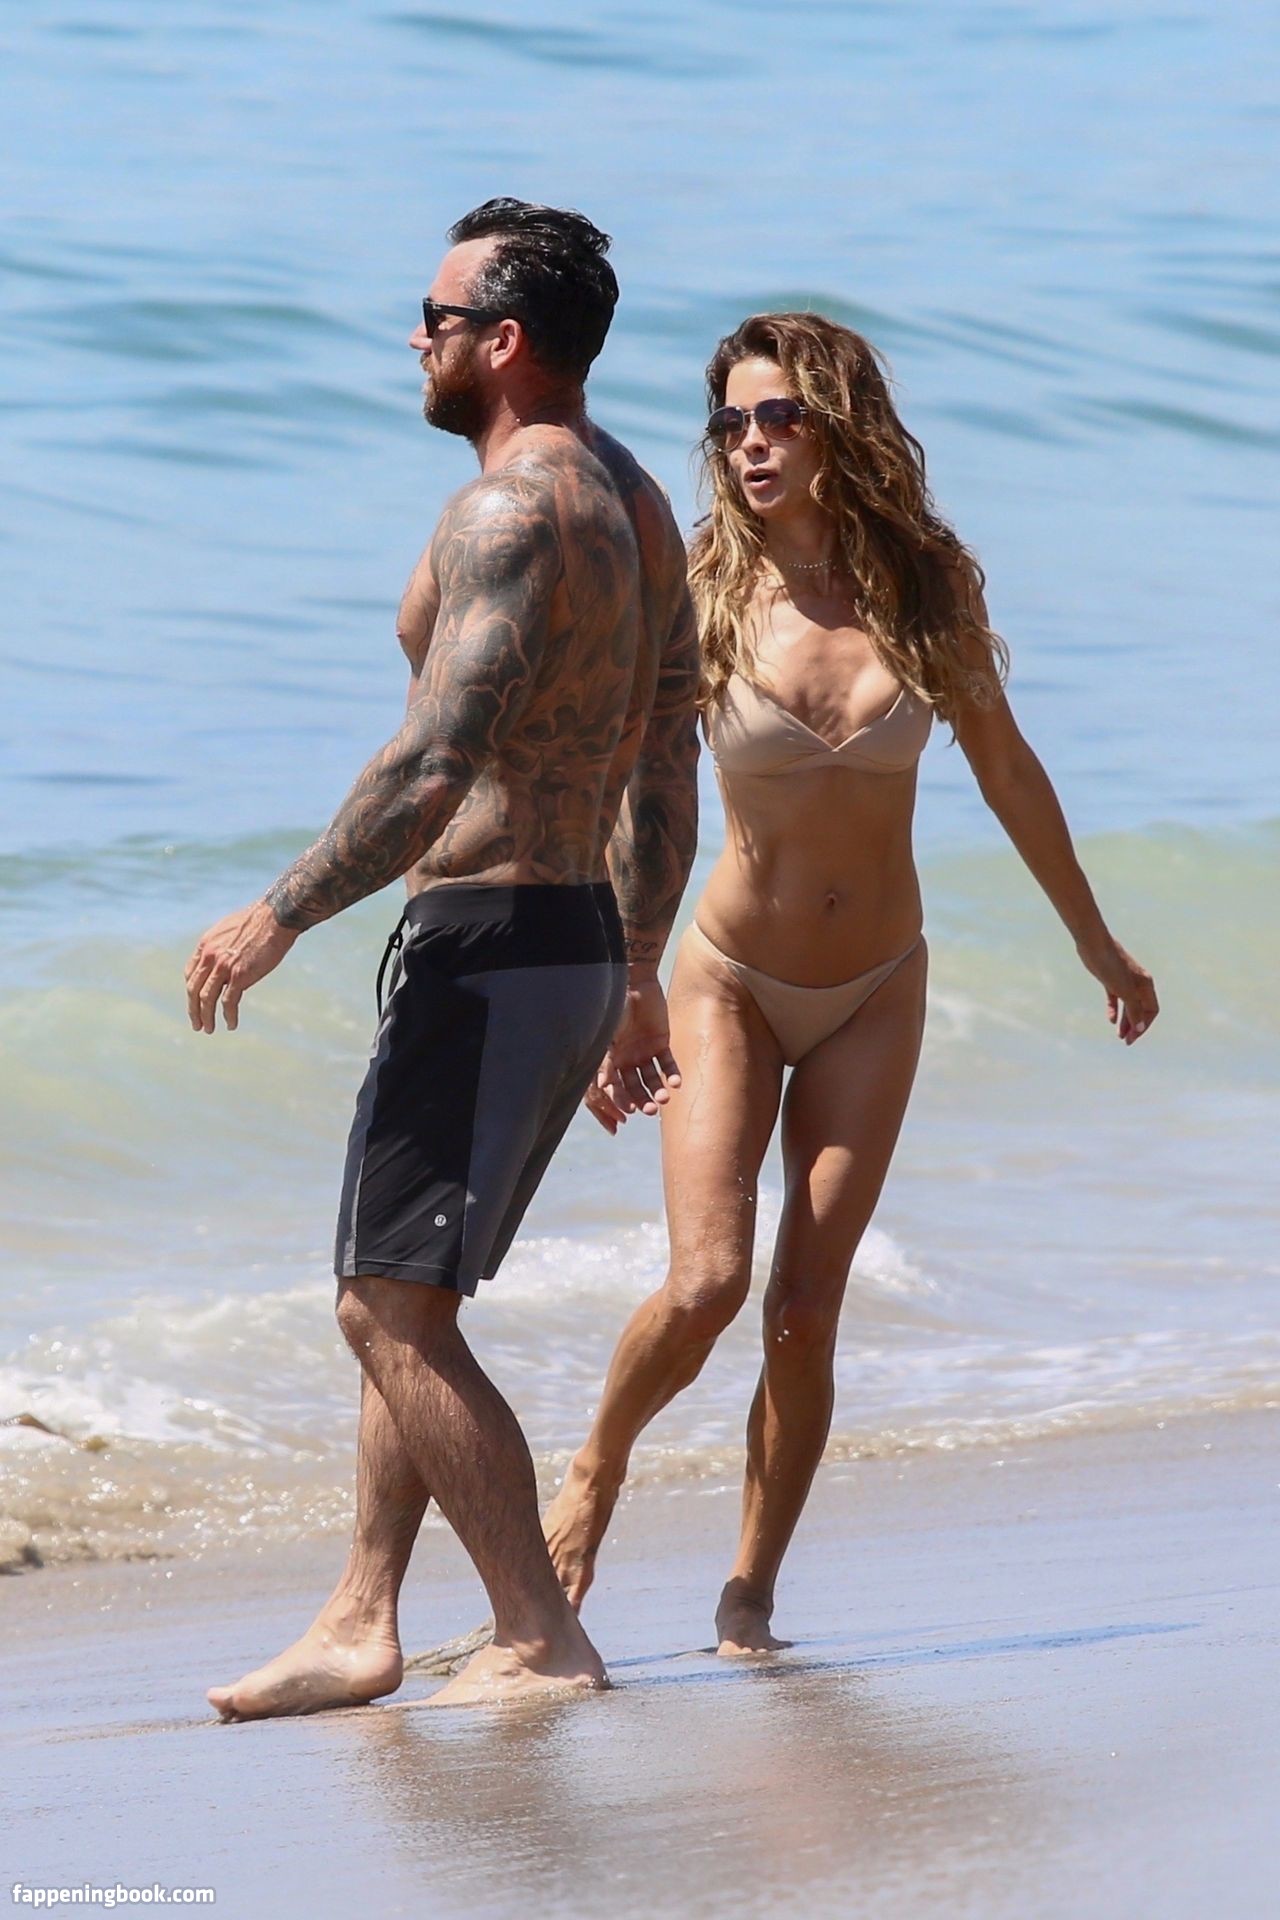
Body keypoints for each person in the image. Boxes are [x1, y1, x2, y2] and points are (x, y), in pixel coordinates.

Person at [540, 310, 1159, 1657]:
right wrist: (616, 984)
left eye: (780, 418)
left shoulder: (925, 589)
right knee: (708, 1282)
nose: (751, 445)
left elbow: (1007, 768)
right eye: (731, 424)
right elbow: (627, 796)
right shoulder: (699, 590)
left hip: (875, 985)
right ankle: (594, 1468)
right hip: (728, 978)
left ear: (840, 427)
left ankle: (749, 1598)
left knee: (805, 1313)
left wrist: (1094, 942)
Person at [184, 199, 700, 1716]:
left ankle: (539, 1631)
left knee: (383, 1307)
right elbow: (667, 750)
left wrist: (279, 913)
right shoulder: (636, 502)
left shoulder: (508, 512)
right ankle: (361, 1618)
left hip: (485, 943)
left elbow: (434, 759)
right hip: (569, 939)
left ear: (506, 341)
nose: (417, 340)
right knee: (411, 1294)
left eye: (438, 317)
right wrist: (635, 965)